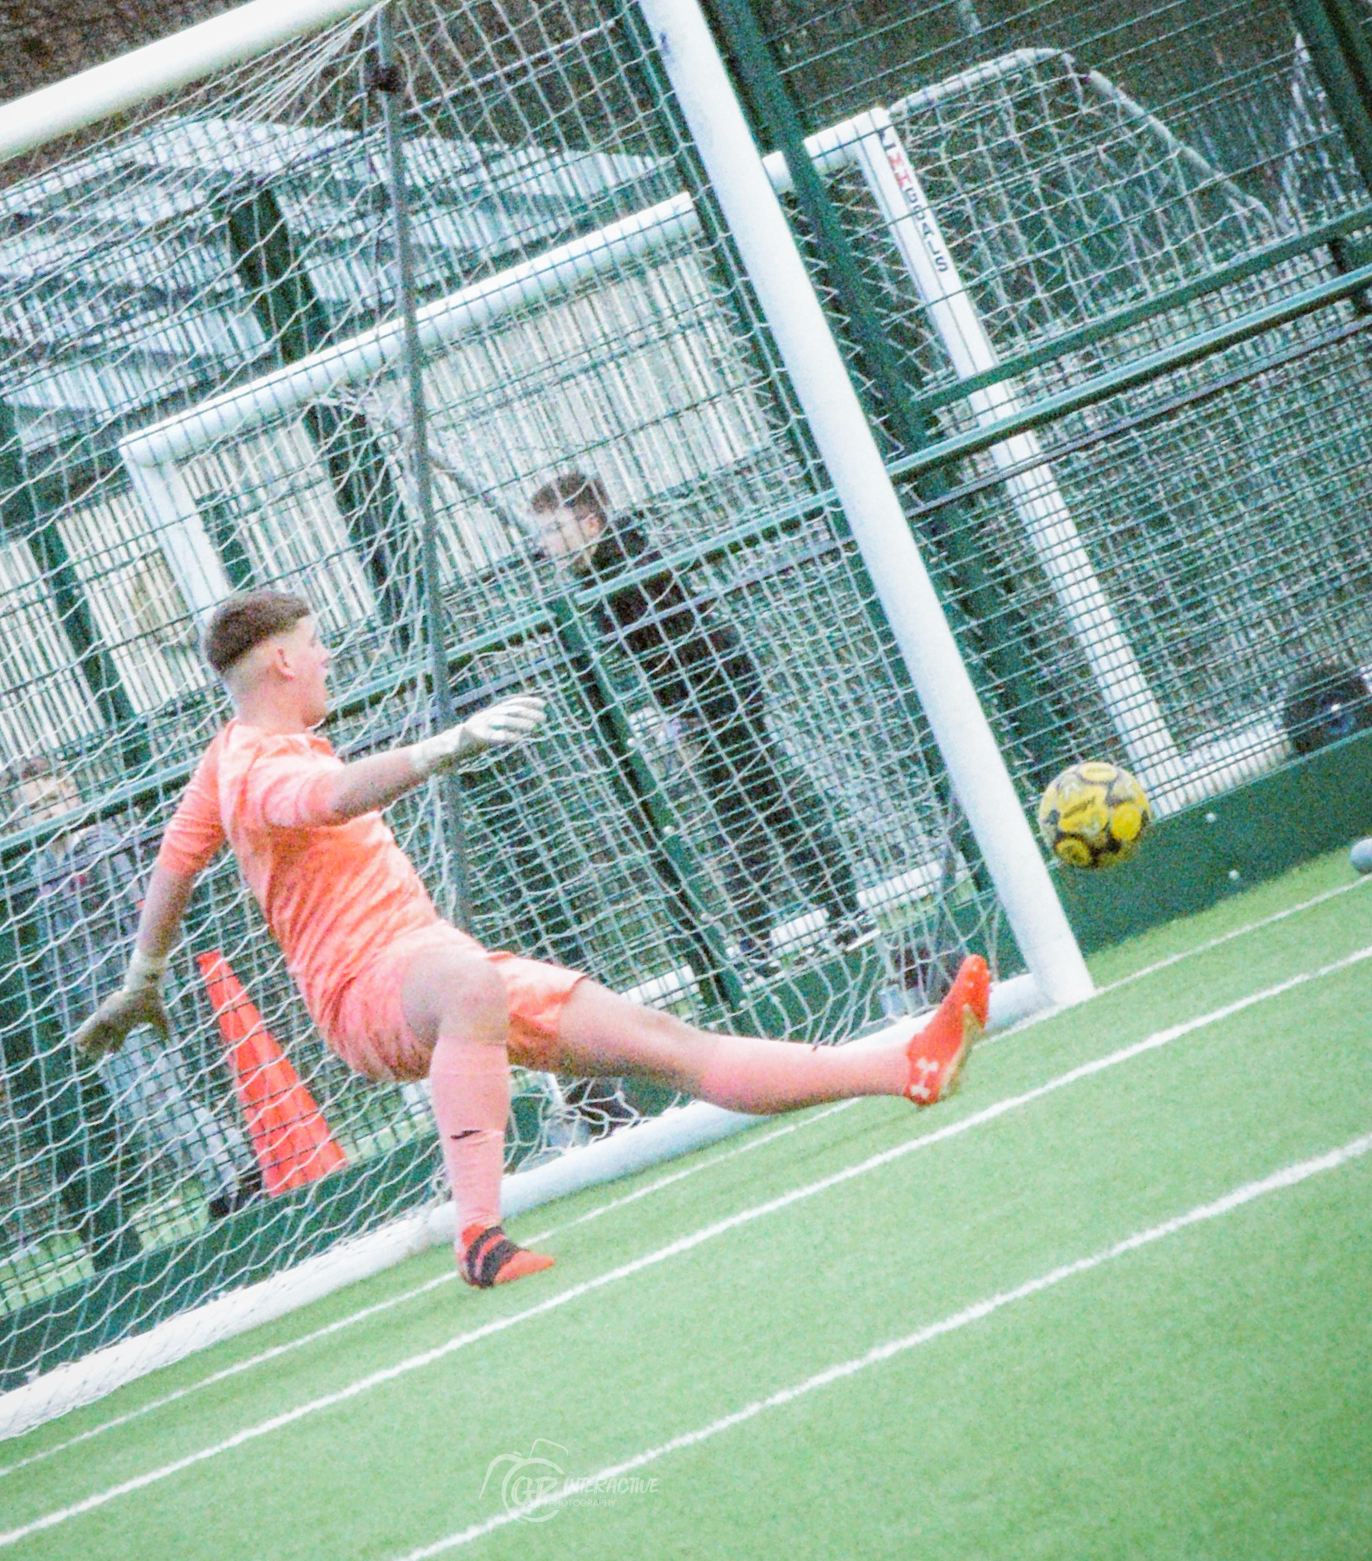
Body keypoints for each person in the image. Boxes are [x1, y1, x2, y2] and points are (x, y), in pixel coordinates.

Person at [73, 590, 988, 1291]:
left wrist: (143, 975)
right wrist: (442, 747)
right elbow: (333, 797)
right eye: (315, 645)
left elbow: (173, 865)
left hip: (431, 967)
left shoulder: (223, 754)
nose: (327, 657)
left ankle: (905, 1064)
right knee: (469, 979)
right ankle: (479, 1233)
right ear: (279, 662)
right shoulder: (262, 763)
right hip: (370, 993)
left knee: (669, 1045)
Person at [529, 471, 862, 971]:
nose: (544, 544)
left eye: (555, 530)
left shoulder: (624, 567)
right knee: (766, 808)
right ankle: (828, 919)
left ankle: (776, 939)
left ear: (592, 523)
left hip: (717, 693)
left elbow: (675, 648)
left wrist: (687, 721)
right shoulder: (603, 570)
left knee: (745, 815)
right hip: (707, 694)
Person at [6, 756, 261, 1225]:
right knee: (143, 1113)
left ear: (72, 791)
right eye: (31, 810)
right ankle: (227, 1174)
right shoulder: (42, 867)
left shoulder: (102, 845)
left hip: (129, 995)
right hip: (91, 1008)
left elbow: (137, 918)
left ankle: (237, 1174)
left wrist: (144, 984)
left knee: (158, 1100)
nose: (45, 815)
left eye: (51, 802)